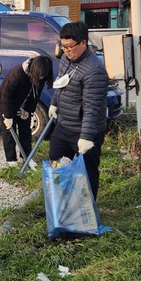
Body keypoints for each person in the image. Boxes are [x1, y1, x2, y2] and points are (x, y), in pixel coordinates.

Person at [48, 21, 108, 199]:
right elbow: (60, 82)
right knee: (57, 166)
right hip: (64, 125)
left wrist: (86, 137)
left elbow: (92, 107)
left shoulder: (94, 70)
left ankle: (86, 211)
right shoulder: (66, 59)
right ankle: (59, 207)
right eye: (63, 46)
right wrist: (54, 103)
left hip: (85, 130)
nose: (66, 50)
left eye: (69, 46)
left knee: (87, 172)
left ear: (83, 43)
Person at [0, 56, 53, 165]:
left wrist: (28, 111)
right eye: (40, 75)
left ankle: (27, 157)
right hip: (5, 103)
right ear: (34, 69)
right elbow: (6, 96)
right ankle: (11, 160)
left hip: (22, 105)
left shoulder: (42, 77)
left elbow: (35, 96)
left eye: (43, 75)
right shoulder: (17, 74)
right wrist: (8, 116)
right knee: (9, 132)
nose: (41, 77)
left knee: (25, 130)